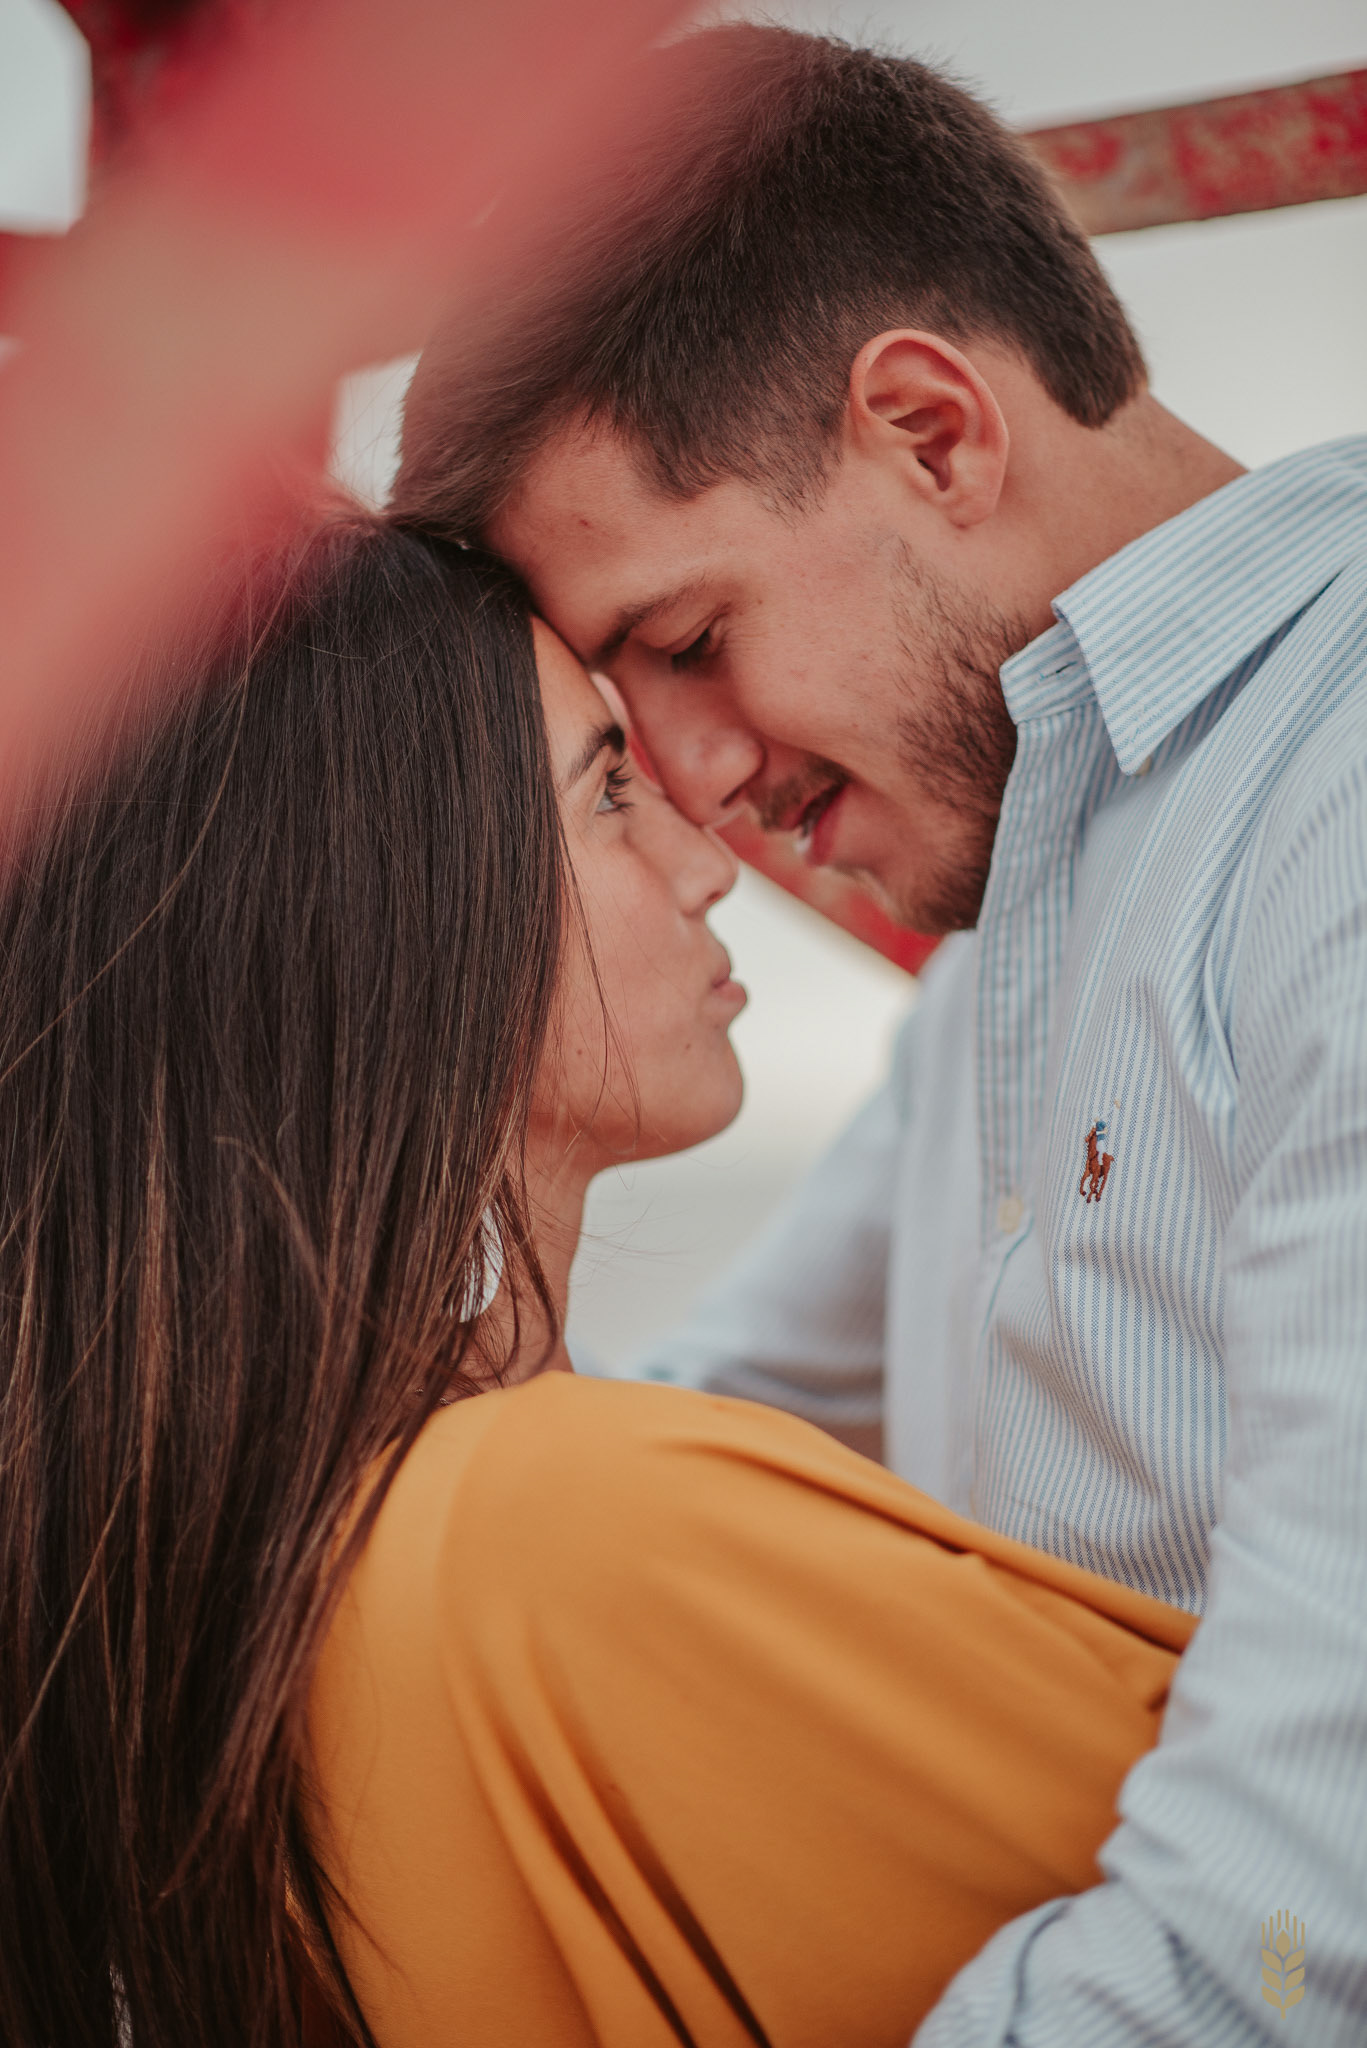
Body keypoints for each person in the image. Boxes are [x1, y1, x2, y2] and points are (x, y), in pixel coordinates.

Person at [390, 22, 1367, 2045]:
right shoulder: (1045, 898)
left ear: (932, 429)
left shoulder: (1333, 789)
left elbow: (1312, 1868)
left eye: (685, 642)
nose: (692, 779)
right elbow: (698, 1484)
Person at [0, 509, 1194, 2048]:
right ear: (388, 911)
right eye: (609, 787)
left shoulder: (271, 1567)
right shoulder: (562, 1520)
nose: (714, 862)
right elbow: (1292, 1877)